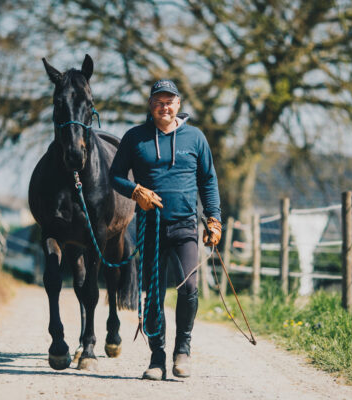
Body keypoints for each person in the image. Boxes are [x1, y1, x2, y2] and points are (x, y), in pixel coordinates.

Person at [109, 79, 222, 380]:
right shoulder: (135, 138)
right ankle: (157, 357)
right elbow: (115, 176)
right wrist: (136, 192)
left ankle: (182, 350)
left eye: (170, 101)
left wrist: (214, 219)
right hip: (150, 227)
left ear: (179, 105)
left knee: (188, 288)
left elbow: (208, 180)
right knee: (153, 294)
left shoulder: (196, 138)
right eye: (159, 101)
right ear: (151, 105)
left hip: (185, 225)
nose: (165, 106)